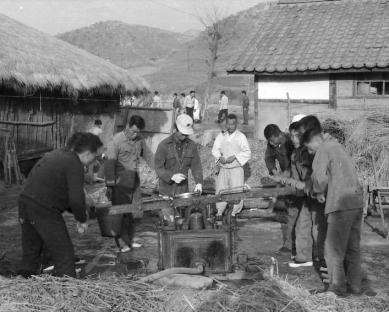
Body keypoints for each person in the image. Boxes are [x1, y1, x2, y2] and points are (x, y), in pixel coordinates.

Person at [17, 132, 103, 278]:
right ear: (88, 153)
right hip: (43, 209)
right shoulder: (74, 163)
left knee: (31, 253)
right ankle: (66, 290)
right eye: (95, 157)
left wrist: (81, 210)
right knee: (64, 255)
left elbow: (64, 194)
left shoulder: (57, 154)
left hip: (25, 203)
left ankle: (23, 288)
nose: (94, 161)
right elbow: (76, 198)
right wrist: (82, 219)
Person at [302, 127, 364, 297]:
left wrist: (316, 191)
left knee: (332, 249)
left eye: (309, 148)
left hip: (340, 204)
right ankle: (355, 287)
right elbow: (340, 174)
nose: (310, 151)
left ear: (315, 141)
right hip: (356, 202)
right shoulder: (337, 146)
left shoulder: (323, 149)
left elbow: (319, 178)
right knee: (353, 249)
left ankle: (337, 289)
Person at [105, 115, 146, 252]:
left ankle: (130, 239)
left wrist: (160, 169)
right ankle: (122, 243)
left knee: (134, 212)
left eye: (137, 133)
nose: (135, 135)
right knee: (120, 212)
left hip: (134, 181)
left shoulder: (139, 140)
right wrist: (110, 186)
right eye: (133, 131)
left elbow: (149, 155)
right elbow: (110, 165)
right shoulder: (116, 141)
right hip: (120, 183)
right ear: (128, 126)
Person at [154, 114, 203, 226]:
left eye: (186, 134)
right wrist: (171, 176)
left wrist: (199, 183)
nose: (184, 136)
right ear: (175, 129)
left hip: (182, 192)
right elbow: (158, 167)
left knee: (182, 223)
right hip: (167, 191)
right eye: (182, 133)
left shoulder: (191, 146)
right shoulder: (164, 146)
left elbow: (196, 166)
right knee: (169, 224)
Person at [264, 124, 297, 255]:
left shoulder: (291, 141)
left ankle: (300, 246)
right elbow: (269, 157)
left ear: (279, 135)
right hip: (287, 180)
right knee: (291, 212)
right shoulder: (272, 144)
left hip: (299, 178)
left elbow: (298, 161)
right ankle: (290, 245)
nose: (271, 143)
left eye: (273, 140)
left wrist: (287, 174)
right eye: (269, 141)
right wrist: (274, 170)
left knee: (301, 214)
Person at [212, 114, 251, 218]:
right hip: (224, 168)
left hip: (236, 168)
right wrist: (219, 157)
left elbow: (247, 152)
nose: (230, 126)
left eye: (232, 124)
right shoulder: (221, 136)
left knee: (236, 189)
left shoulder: (241, 136)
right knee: (221, 189)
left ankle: (234, 212)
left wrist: (235, 157)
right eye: (228, 124)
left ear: (236, 124)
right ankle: (220, 211)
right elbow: (215, 149)